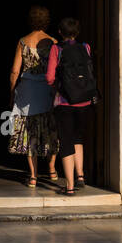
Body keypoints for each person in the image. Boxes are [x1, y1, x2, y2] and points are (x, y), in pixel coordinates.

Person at [7, 5, 59, 187]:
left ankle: (33, 176)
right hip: (46, 90)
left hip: (28, 90)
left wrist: (12, 92)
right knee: (50, 128)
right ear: (46, 21)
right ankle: (52, 169)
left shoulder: (23, 42)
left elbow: (15, 71)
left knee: (30, 131)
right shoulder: (53, 42)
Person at [46, 17, 98, 196]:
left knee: (66, 142)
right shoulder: (86, 47)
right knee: (78, 137)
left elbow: (50, 77)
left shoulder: (56, 49)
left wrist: (59, 88)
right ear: (77, 32)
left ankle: (69, 187)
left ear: (60, 32)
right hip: (84, 101)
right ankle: (80, 175)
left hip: (65, 102)